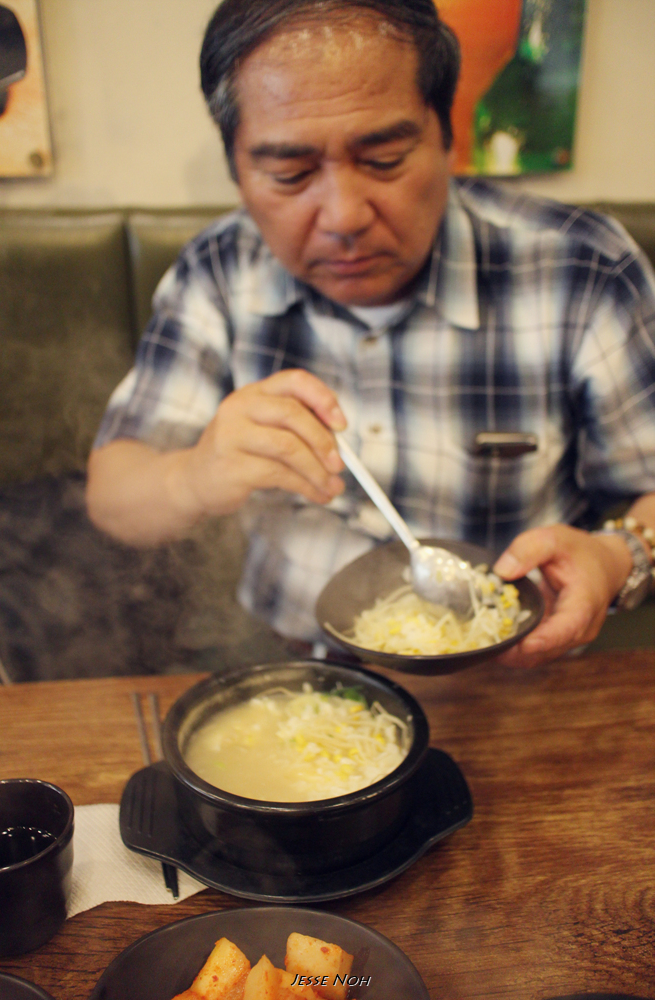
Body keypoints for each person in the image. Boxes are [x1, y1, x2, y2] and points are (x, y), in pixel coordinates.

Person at [87, 0, 655, 668]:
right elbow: (112, 493)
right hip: (284, 662)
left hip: (506, 672)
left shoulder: (580, 268)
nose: (343, 217)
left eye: (383, 159)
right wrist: (196, 475)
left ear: (446, 140)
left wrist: (619, 555)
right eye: (291, 174)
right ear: (238, 171)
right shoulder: (219, 270)